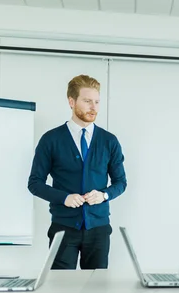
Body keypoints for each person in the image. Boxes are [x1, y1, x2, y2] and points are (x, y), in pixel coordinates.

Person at [28, 74, 127, 270]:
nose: (94, 107)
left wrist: (104, 195)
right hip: (63, 229)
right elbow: (35, 182)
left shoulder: (109, 141)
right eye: (87, 101)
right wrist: (64, 198)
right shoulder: (51, 139)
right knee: (61, 291)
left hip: (98, 229)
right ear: (71, 102)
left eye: (97, 102)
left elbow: (121, 182)